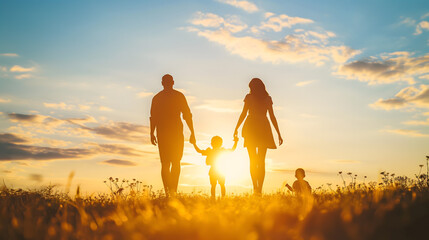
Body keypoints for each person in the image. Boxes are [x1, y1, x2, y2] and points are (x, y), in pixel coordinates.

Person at [234, 78, 283, 195]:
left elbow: (243, 113)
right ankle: (259, 189)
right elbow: (272, 116)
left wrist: (236, 128)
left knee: (253, 160)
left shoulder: (249, 97)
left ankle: (256, 188)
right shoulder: (267, 98)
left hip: (251, 126)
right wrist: (278, 133)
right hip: (263, 127)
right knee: (261, 161)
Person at [150, 74, 196, 196]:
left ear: (162, 83)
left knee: (168, 163)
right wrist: (192, 132)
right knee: (172, 162)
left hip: (167, 132)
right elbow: (187, 115)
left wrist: (152, 132)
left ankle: (170, 193)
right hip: (170, 131)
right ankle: (171, 192)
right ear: (173, 82)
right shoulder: (174, 96)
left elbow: (187, 115)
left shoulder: (159, 97)